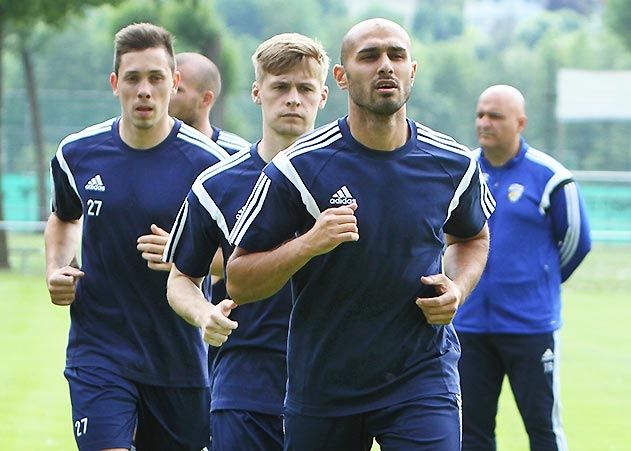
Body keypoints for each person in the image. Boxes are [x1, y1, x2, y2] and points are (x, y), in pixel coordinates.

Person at [225, 18, 495, 451]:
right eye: (369, 57)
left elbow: (472, 237)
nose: (385, 66)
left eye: (396, 56)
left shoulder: (453, 163)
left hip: (421, 377)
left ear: (413, 71)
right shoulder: (297, 169)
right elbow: (239, 280)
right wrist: (307, 243)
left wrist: (457, 290)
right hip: (324, 385)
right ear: (342, 76)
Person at [44, 22, 228, 451]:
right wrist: (56, 269)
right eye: (133, 78)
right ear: (115, 84)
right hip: (99, 351)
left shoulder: (212, 165)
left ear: (174, 82)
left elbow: (237, 256)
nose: (144, 90)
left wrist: (185, 252)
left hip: (179, 359)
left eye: (156, 78)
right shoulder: (77, 153)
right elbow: (64, 217)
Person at [163, 33, 329, 450]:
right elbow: (181, 278)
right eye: (280, 87)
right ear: (258, 92)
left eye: (305, 88)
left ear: (324, 95)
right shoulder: (217, 184)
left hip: (334, 385)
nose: (293, 99)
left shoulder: (348, 179)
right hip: (246, 384)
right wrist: (204, 314)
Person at [453, 84, 591, 451]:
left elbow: (577, 242)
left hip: (530, 326)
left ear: (520, 123)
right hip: (469, 326)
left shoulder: (551, 177)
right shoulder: (460, 171)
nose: (484, 122)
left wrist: (537, 282)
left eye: (495, 116)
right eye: (480, 114)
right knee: (471, 433)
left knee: (542, 430)